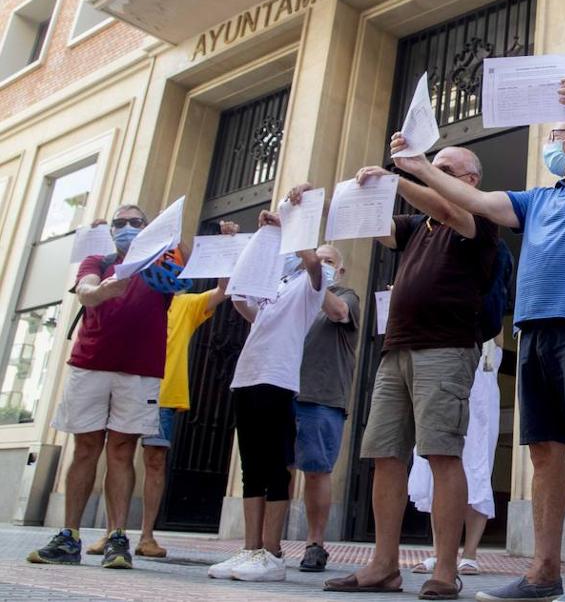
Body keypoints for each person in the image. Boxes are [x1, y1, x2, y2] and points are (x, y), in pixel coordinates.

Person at [400, 77, 565, 602]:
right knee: (545, 452)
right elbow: (472, 198)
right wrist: (420, 166)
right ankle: (544, 573)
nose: (552, 141)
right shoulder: (535, 199)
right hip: (533, 333)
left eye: (560, 133)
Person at [325, 147, 498, 600]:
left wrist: (400, 177)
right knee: (385, 455)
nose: (431, 176)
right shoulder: (418, 226)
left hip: (446, 348)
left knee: (442, 454)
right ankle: (383, 566)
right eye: (431, 167)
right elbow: (374, 226)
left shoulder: (477, 217)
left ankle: (445, 569)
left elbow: (443, 204)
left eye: (444, 170)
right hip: (395, 349)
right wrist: (336, 197)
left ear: (470, 180)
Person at [28, 204, 178, 570]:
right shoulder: (98, 260)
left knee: (122, 451)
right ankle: (69, 536)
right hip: (90, 363)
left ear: (148, 228)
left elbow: (184, 264)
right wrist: (105, 289)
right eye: (120, 223)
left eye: (135, 222)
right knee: (85, 448)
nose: (127, 228)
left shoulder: (162, 263)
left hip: (140, 370)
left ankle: (117, 538)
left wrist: (168, 234)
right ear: (111, 231)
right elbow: (86, 291)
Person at [84, 221, 242, 560]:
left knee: (155, 462)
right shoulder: (130, 292)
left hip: (163, 394)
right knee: (118, 455)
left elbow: (222, 292)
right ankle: (114, 533)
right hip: (127, 382)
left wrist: (226, 248)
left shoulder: (183, 303)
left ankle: (146, 536)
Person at [208, 195, 340, 583]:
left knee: (276, 467)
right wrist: (252, 240)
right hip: (246, 378)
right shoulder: (276, 284)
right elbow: (239, 299)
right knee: (251, 467)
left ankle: (270, 552)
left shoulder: (311, 287)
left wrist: (288, 225)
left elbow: (314, 262)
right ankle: (250, 549)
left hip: (278, 381)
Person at [409, 338, 503, 578]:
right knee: (437, 464)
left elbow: (496, 335)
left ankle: (469, 554)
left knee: (478, 465)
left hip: (480, 389)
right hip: (443, 377)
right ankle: (439, 552)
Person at [293, 243, 358, 572]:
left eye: (327, 262)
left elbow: (339, 313)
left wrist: (313, 274)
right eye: (317, 261)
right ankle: (266, 545)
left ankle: (315, 543)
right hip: (285, 392)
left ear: (341, 269)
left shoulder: (346, 296)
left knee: (317, 470)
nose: (319, 266)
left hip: (322, 396)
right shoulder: (294, 295)